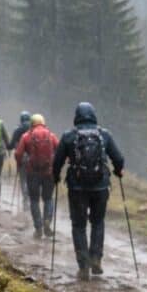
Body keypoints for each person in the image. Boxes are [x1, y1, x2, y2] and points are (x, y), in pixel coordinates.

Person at [53, 102, 125, 281]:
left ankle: (83, 265)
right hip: (100, 188)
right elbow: (119, 158)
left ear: (76, 116)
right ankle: (96, 259)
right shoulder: (104, 135)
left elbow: (57, 162)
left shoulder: (69, 136)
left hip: (77, 188)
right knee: (98, 222)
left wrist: (55, 177)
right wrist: (117, 171)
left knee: (78, 225)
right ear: (94, 115)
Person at [15, 114, 58, 239]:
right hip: (48, 173)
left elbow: (18, 153)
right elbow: (60, 149)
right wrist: (56, 166)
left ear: (31, 124)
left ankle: (38, 227)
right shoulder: (51, 135)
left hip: (32, 172)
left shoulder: (26, 136)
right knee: (48, 198)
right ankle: (47, 221)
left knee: (34, 200)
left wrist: (19, 163)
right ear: (43, 122)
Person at [8, 111, 33, 209]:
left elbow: (11, 144)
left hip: (21, 158)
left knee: (23, 180)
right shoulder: (33, 129)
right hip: (33, 159)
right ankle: (32, 199)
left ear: (21, 119)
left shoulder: (17, 130)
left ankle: (25, 199)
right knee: (31, 179)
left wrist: (8, 147)